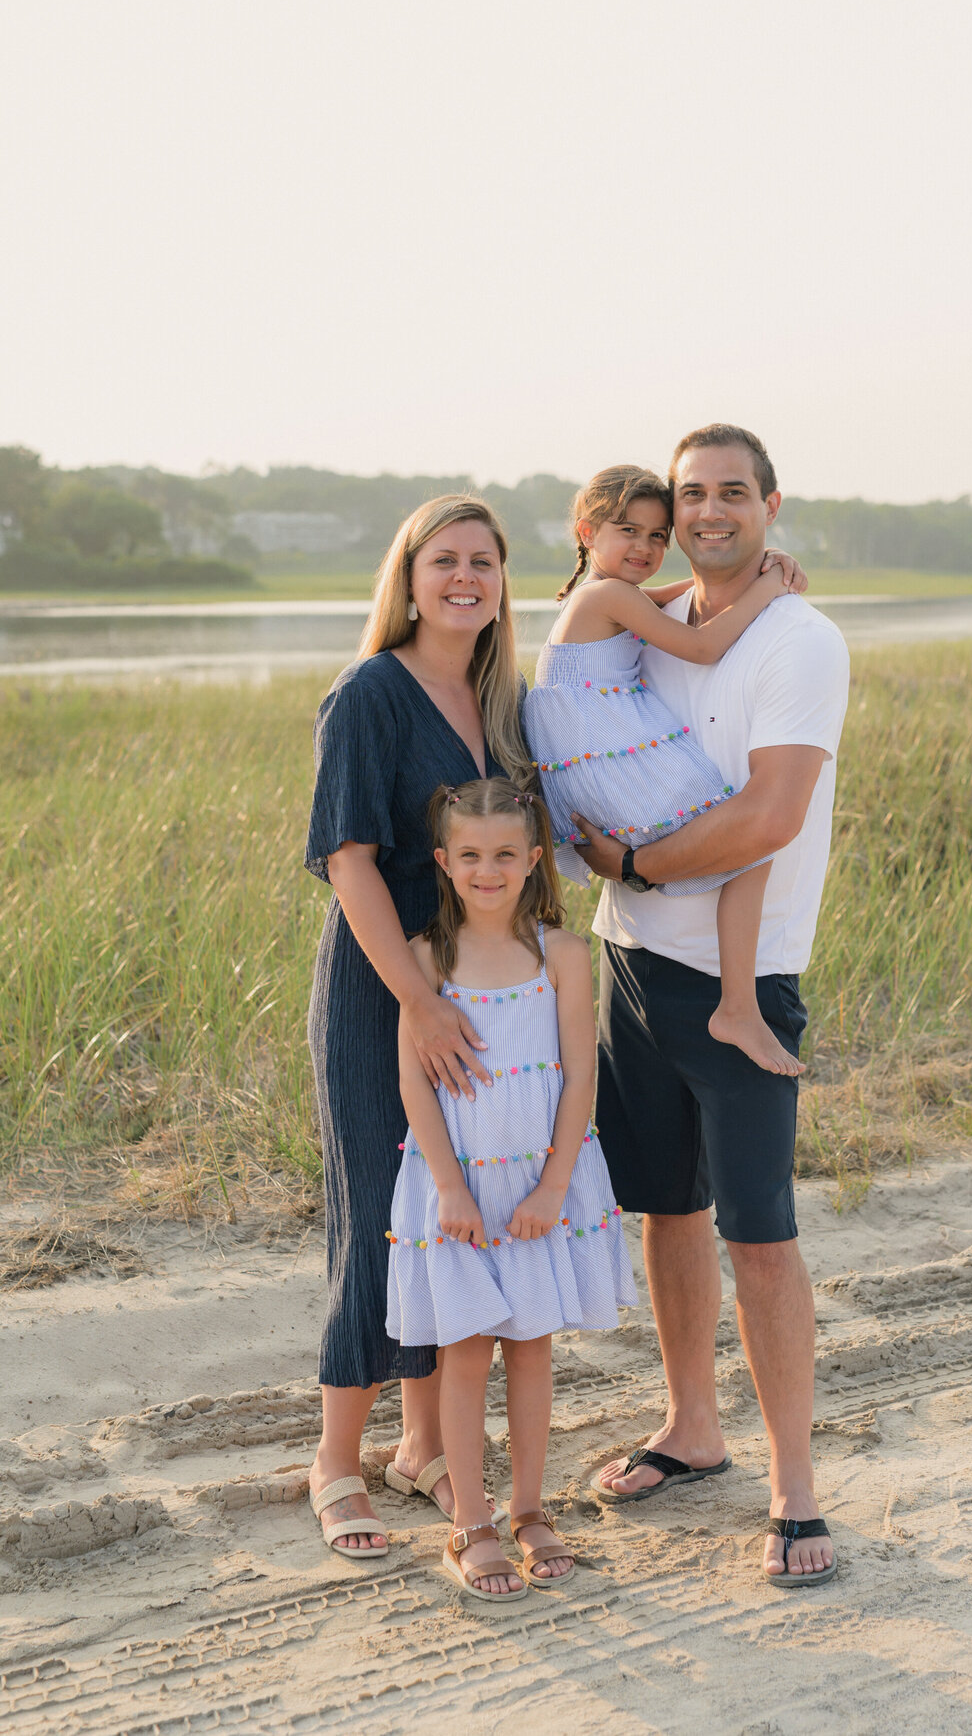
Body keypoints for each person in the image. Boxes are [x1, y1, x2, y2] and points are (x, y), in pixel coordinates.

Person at [570, 425, 850, 1587]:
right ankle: (693, 1426)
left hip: (745, 977)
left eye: (733, 492)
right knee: (664, 1210)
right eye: (692, 494)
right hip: (629, 961)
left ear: (771, 505)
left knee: (763, 1236)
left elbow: (770, 816)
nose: (709, 511)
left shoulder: (802, 638)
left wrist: (633, 864)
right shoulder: (657, 614)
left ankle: (796, 1487)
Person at [304, 494, 533, 1559]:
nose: (464, 578)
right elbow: (350, 858)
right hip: (382, 990)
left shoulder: (496, 696)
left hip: (471, 995)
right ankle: (336, 1462)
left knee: (450, 1210)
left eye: (483, 561)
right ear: (408, 573)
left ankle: (421, 1446)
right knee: (382, 1215)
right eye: (444, 559)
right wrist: (417, 999)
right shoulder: (369, 693)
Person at [386, 779, 635, 1608]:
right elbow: (416, 1090)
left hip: (538, 1187)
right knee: (464, 1353)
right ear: (444, 864)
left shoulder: (562, 955)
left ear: (533, 860)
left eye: (504, 855)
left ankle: (529, 1509)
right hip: (459, 1190)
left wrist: (556, 1185)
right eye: (470, 856)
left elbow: (578, 1077)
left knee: (531, 1349)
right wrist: (449, 1188)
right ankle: (473, 1525)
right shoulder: (426, 965)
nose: (487, 870)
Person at [524, 465, 807, 1075]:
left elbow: (679, 599)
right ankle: (737, 1007)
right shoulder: (607, 596)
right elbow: (705, 646)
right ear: (586, 532)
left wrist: (757, 567)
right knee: (747, 847)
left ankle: (732, 1005)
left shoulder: (600, 594)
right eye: (629, 531)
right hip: (600, 760)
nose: (646, 548)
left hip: (586, 760)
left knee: (739, 848)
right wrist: (770, 588)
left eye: (657, 536)